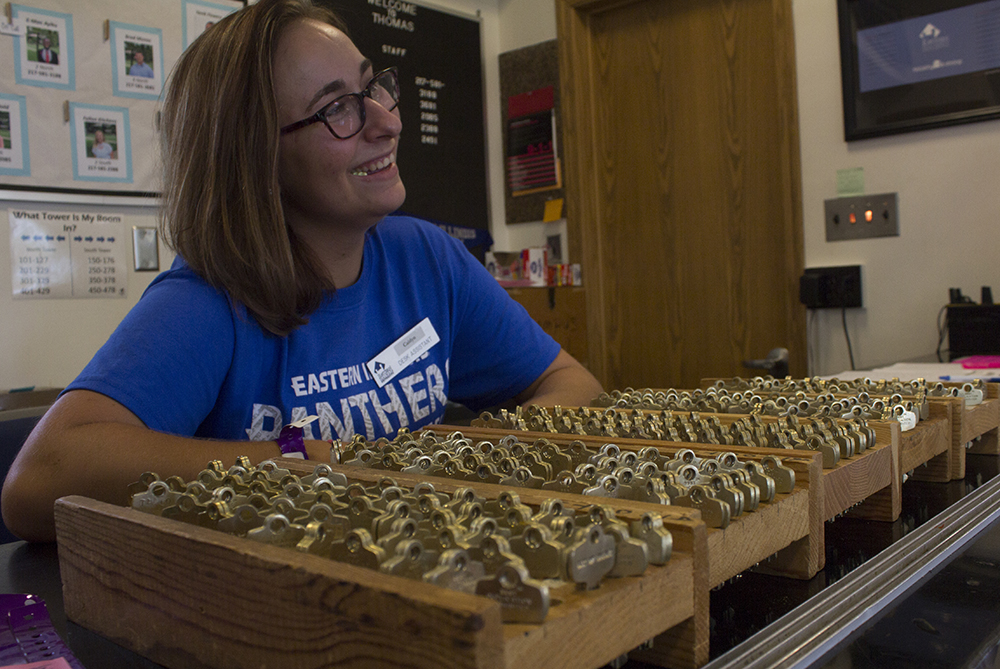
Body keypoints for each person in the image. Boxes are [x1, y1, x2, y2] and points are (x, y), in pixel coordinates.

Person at [1, 0, 603, 542]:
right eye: (337, 108)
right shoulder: (209, 301)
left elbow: (572, 386)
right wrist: (305, 460)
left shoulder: (427, 258)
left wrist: (453, 461)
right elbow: (38, 479)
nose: (387, 122)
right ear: (255, 153)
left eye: (374, 88)